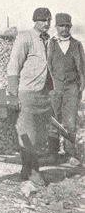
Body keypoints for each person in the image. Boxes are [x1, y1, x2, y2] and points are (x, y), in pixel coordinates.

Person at [7, 7, 54, 186]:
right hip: (27, 93)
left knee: (41, 135)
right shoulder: (25, 37)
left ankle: (26, 169)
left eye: (49, 20)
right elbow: (13, 65)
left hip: (43, 94)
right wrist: (13, 93)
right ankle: (33, 170)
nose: (47, 24)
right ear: (35, 21)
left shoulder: (49, 41)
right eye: (43, 20)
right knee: (28, 135)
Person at [46, 13, 85, 165]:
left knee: (70, 121)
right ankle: (53, 154)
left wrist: (80, 89)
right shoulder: (51, 44)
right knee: (54, 120)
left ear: (70, 27)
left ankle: (70, 154)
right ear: (56, 27)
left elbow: (82, 69)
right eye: (61, 26)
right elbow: (48, 66)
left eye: (67, 26)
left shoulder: (76, 44)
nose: (64, 29)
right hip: (54, 88)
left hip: (71, 89)